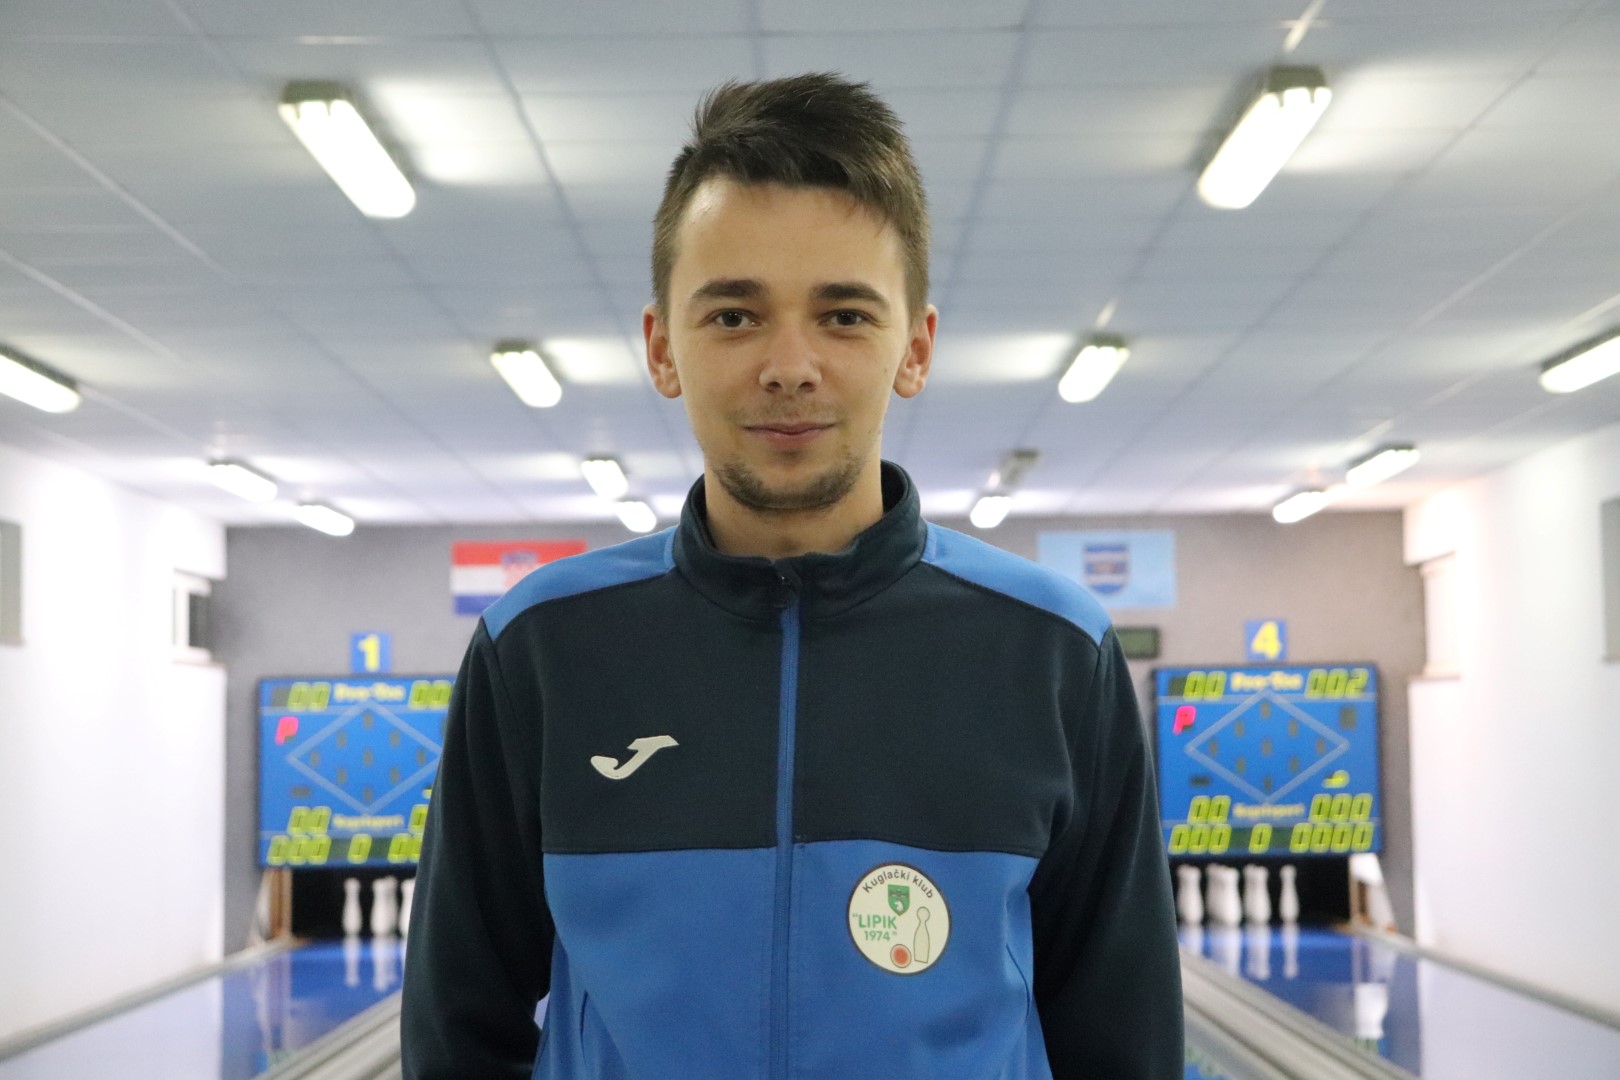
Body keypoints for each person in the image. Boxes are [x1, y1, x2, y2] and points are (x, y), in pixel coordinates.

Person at [401, 72, 1182, 1080]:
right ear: (662, 347)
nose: (790, 366)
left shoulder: (1053, 650)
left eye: (844, 315)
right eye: (734, 316)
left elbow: (1124, 1040)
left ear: (915, 348)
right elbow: (457, 1026)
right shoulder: (543, 648)